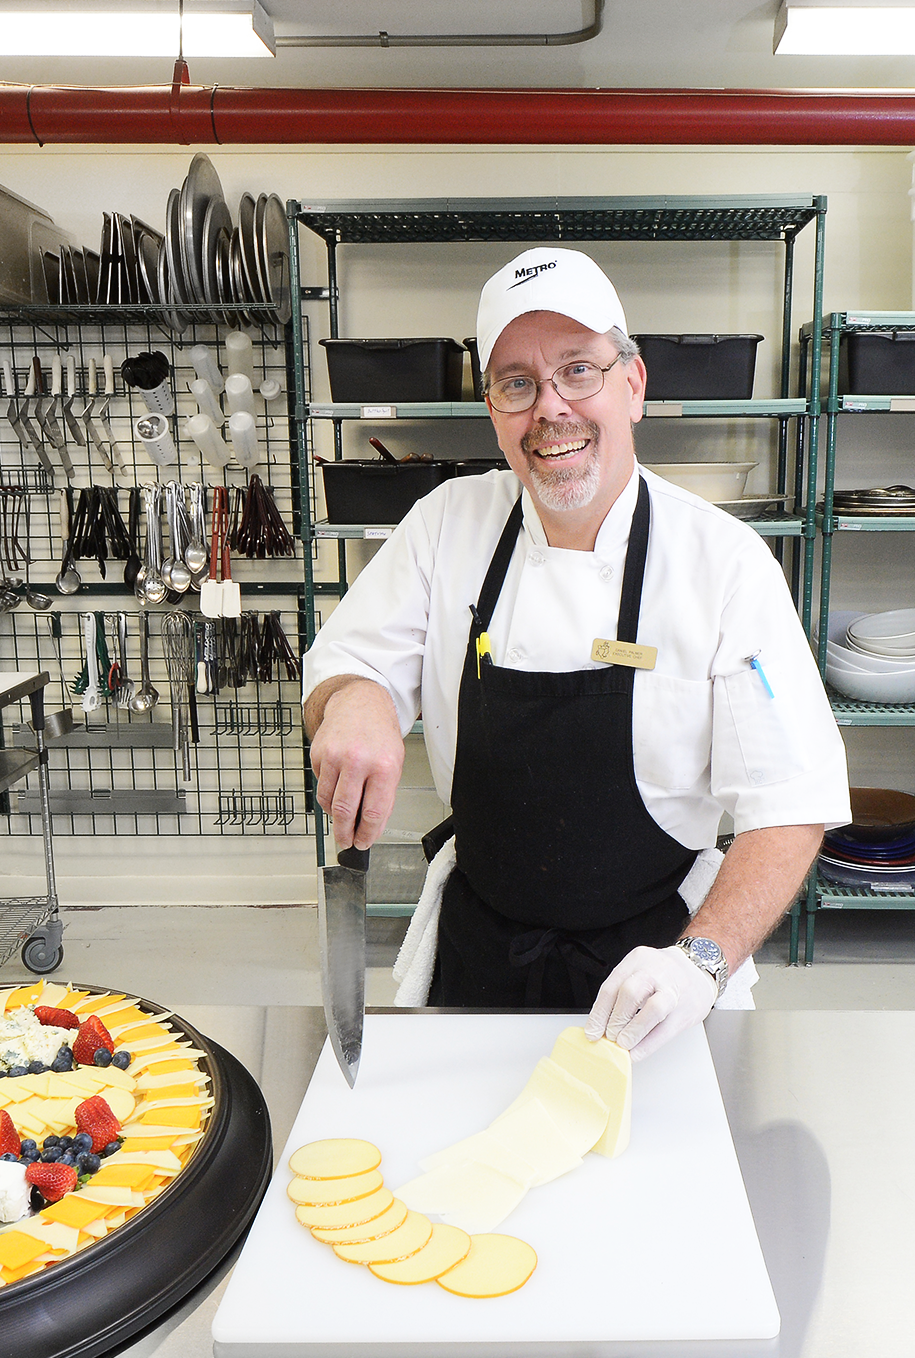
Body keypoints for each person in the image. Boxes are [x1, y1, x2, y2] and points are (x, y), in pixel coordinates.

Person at [302, 247, 848, 1060]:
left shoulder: (722, 564)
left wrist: (702, 963)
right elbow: (349, 663)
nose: (550, 407)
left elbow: (791, 801)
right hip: (478, 956)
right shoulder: (447, 525)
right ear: (493, 408)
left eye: (578, 370)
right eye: (517, 382)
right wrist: (357, 698)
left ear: (633, 383)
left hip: (659, 968)